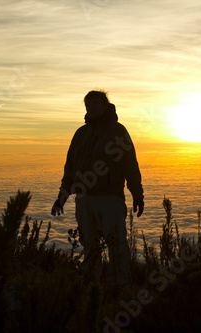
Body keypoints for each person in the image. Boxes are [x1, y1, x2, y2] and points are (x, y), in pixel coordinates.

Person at [51, 90, 144, 290]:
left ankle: (118, 288)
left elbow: (130, 166)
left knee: (116, 245)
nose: (90, 107)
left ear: (105, 105)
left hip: (110, 199)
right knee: (90, 246)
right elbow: (70, 168)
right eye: (87, 104)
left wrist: (137, 194)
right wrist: (62, 196)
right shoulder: (80, 134)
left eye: (95, 103)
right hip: (84, 200)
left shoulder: (118, 131)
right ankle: (90, 287)